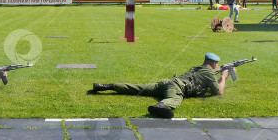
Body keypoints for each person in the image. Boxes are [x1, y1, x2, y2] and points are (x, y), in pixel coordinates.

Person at [89, 53, 231, 119]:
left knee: (138, 88)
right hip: (176, 88)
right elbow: (218, 91)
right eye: (216, 64)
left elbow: (208, 81)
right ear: (213, 63)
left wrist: (219, 75)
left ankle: (107, 86)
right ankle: (161, 106)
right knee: (175, 100)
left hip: (167, 82)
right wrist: (223, 77)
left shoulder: (199, 68)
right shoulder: (209, 73)